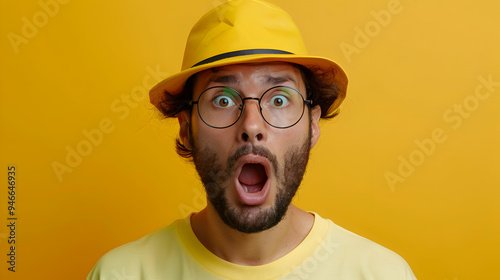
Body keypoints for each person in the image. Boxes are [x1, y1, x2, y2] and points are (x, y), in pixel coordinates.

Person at [87, 0, 417, 279]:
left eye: (278, 99)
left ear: (312, 124)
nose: (252, 125)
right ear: (187, 129)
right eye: (223, 100)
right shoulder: (123, 273)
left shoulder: (379, 273)